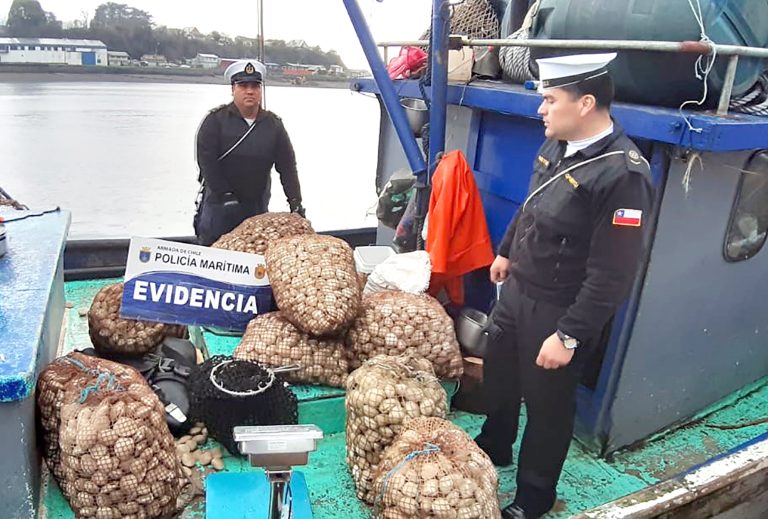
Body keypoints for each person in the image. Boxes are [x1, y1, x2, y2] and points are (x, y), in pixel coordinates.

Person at [474, 53, 654, 519]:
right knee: (500, 372)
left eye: (551, 100)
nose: (541, 109)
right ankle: (495, 446)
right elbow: (531, 204)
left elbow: (613, 273)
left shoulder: (622, 175)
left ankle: (533, 498)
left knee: (548, 408)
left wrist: (569, 334)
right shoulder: (558, 143)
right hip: (518, 292)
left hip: (558, 310)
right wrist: (507, 250)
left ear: (586, 102)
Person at [194, 59, 305, 245]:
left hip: (256, 206)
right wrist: (225, 194)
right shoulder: (215, 121)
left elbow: (287, 167)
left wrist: (295, 202)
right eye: (243, 85)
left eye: (255, 86)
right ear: (233, 89)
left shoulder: (273, 125)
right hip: (219, 207)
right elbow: (207, 162)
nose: (250, 91)